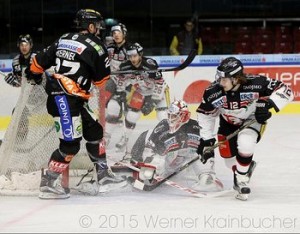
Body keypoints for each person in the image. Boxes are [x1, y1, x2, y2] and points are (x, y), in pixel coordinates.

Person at [27, 9, 127, 199]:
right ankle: (48, 183)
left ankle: (104, 175)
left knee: (95, 132)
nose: (98, 30)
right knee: (70, 145)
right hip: (64, 99)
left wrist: (33, 74)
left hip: (71, 98)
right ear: (90, 26)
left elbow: (37, 63)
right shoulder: (97, 47)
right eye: (96, 26)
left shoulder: (63, 38)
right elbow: (101, 82)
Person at [196, 56, 294, 200]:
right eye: (220, 78)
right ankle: (245, 167)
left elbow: (286, 90)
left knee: (246, 144)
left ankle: (241, 181)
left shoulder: (256, 83)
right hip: (227, 124)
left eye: (225, 79)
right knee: (229, 161)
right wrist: (207, 139)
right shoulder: (212, 92)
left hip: (251, 120)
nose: (220, 82)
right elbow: (205, 115)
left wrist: (269, 105)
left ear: (236, 78)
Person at [130, 100, 223, 191]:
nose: (171, 119)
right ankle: (140, 165)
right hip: (168, 162)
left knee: (198, 154)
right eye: (169, 115)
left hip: (186, 163)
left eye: (174, 116)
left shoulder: (195, 127)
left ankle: (206, 178)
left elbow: (207, 147)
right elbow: (151, 148)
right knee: (149, 138)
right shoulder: (163, 126)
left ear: (184, 116)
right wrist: (150, 166)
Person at [106, 42, 169, 161]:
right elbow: (121, 80)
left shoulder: (149, 65)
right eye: (130, 56)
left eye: (134, 56)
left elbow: (160, 83)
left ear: (140, 54)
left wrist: (153, 101)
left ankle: (167, 143)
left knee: (163, 117)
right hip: (141, 92)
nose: (132, 59)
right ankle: (125, 139)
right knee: (131, 116)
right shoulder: (125, 66)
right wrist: (120, 93)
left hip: (158, 93)